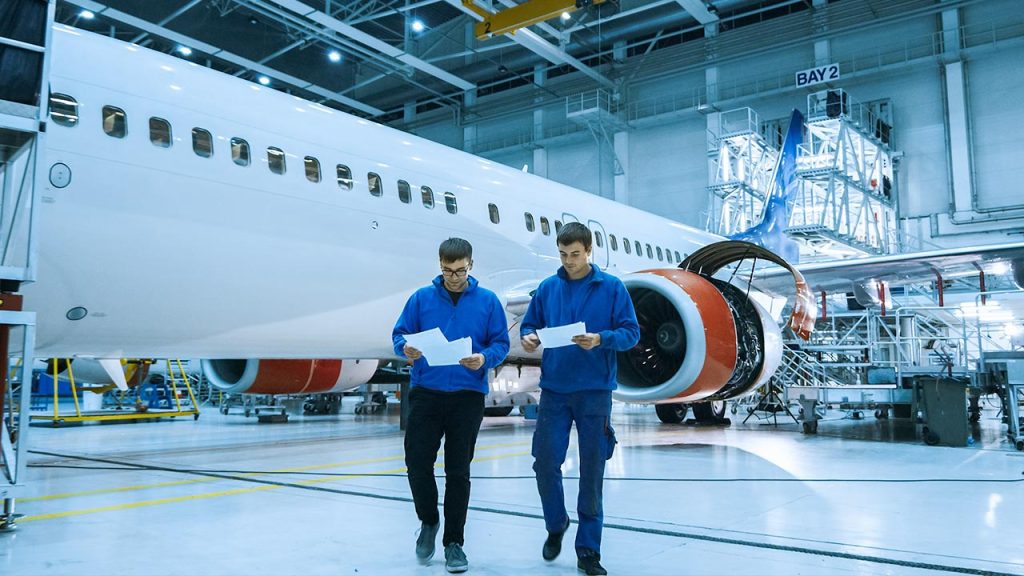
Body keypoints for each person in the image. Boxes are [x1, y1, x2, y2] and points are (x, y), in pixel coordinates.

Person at [520, 222, 640, 576]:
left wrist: (601, 339)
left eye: (575, 254)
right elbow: (530, 326)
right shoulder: (547, 288)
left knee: (592, 472)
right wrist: (529, 338)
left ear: (589, 251)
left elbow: (631, 333)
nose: (568, 261)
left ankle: (588, 550)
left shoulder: (613, 288)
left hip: (594, 392)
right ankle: (556, 524)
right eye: (562, 254)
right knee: (544, 463)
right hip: (555, 390)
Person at [392, 237, 510, 574]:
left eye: (459, 271)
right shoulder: (420, 299)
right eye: (447, 271)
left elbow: (500, 343)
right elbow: (400, 335)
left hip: (467, 395)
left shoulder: (487, 302)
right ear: (439, 265)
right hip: (426, 391)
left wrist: (484, 358)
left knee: (458, 471)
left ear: (471, 264)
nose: (454, 277)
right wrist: (406, 349)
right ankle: (429, 521)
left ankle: (454, 543)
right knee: (416, 462)